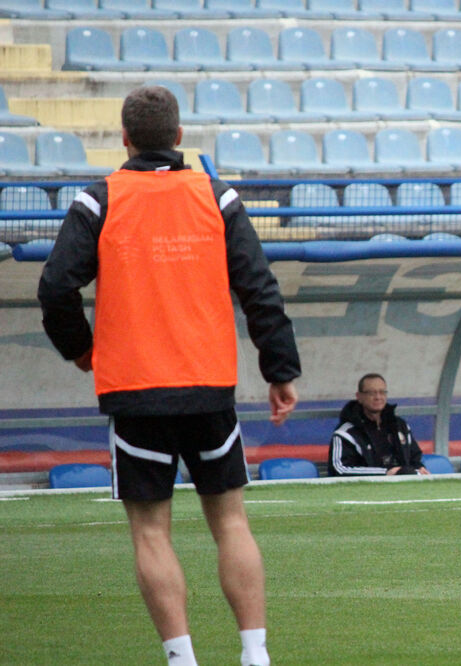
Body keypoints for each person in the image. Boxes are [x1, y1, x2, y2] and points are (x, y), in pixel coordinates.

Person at [37, 85, 301, 665]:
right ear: (179, 137)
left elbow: (56, 288)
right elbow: (259, 288)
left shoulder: (99, 199)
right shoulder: (217, 197)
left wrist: (84, 351)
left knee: (151, 532)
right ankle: (255, 654)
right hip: (208, 386)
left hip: (134, 390)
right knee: (230, 520)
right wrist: (280, 370)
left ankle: (182, 658)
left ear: (125, 138)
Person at [328, 373, 428, 476]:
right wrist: (385, 473)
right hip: (366, 489)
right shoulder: (346, 433)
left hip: (404, 486)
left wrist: (419, 468)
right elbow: (340, 469)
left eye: (382, 392)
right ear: (359, 397)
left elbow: (415, 457)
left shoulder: (400, 426)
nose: (378, 397)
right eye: (371, 393)